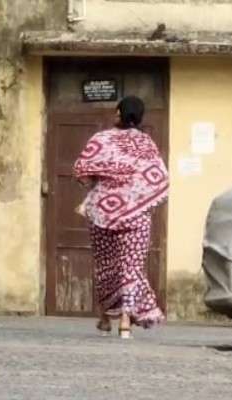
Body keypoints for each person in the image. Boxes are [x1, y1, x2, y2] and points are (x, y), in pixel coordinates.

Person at [73, 96, 169, 339]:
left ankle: (105, 318)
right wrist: (137, 199)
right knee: (132, 267)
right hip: (136, 215)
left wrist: (101, 184)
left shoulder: (102, 139)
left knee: (105, 265)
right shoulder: (147, 144)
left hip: (102, 213)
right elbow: (158, 178)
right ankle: (125, 320)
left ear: (118, 113)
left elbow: (82, 169)